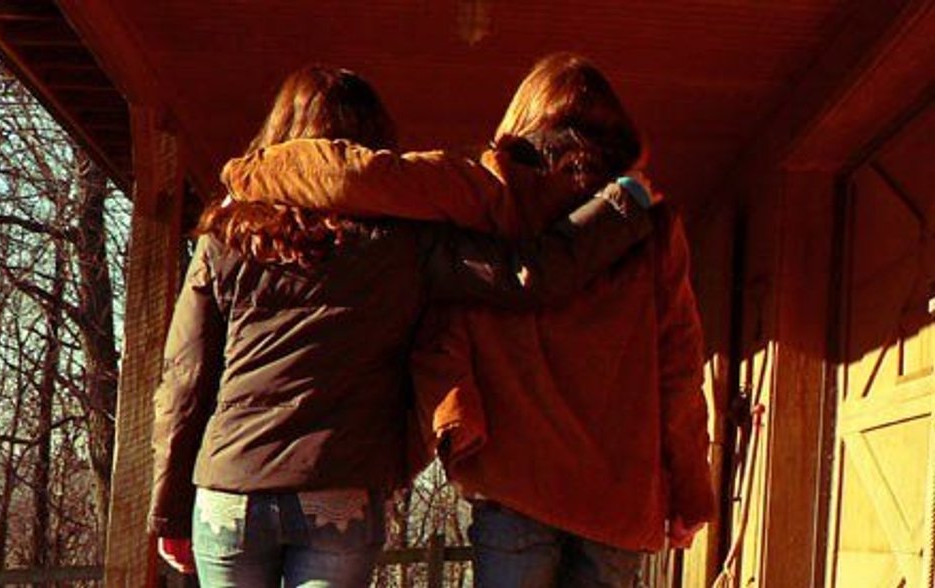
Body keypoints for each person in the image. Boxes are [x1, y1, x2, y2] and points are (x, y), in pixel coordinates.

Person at [149, 64, 658, 588]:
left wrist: (170, 510)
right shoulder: (405, 242)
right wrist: (623, 205)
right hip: (340, 486)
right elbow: (528, 275)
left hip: (229, 488)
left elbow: (185, 379)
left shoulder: (226, 236)